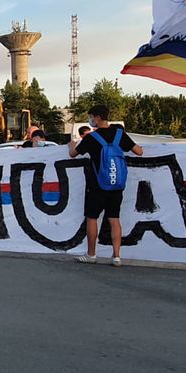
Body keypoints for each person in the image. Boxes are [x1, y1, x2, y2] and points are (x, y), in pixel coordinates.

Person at [69, 105, 143, 266]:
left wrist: (71, 145)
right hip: (116, 184)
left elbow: (73, 154)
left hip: (97, 184)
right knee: (114, 219)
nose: (90, 121)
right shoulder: (119, 134)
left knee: (92, 218)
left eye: (91, 117)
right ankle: (116, 256)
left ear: (97, 117)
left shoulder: (91, 138)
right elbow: (139, 151)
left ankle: (91, 254)